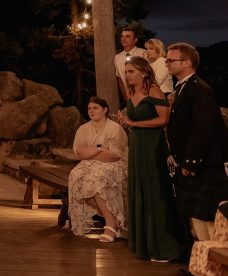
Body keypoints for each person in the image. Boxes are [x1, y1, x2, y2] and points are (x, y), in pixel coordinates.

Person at [119, 56, 188, 262]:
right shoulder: (132, 92)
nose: (127, 75)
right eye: (126, 71)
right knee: (139, 188)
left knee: (154, 190)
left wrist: (134, 123)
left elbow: (163, 119)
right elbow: (133, 118)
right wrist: (125, 121)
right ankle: (143, 244)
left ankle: (163, 246)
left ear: (143, 72)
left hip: (152, 145)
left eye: (131, 71)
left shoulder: (155, 91)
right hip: (137, 145)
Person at [166, 43, 228, 244]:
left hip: (204, 164)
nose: (166, 63)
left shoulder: (200, 90)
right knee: (195, 215)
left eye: (171, 60)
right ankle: (202, 262)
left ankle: (214, 265)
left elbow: (203, 128)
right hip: (192, 162)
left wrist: (191, 161)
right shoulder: (185, 87)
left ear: (187, 63)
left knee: (207, 216)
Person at [68, 97, 129, 241]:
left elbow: (114, 155)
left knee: (97, 180)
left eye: (95, 108)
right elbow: (79, 152)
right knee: (75, 175)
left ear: (105, 110)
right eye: (89, 108)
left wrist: (90, 153)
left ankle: (111, 225)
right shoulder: (83, 129)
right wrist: (99, 148)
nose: (91, 111)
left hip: (115, 165)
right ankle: (106, 216)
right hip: (89, 164)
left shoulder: (115, 128)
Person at [114, 26, 145, 106]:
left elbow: (149, 74)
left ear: (135, 40)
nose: (123, 39)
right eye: (122, 36)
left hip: (144, 95)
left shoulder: (143, 53)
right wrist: (126, 97)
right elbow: (119, 78)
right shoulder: (117, 57)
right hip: (128, 98)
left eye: (127, 36)